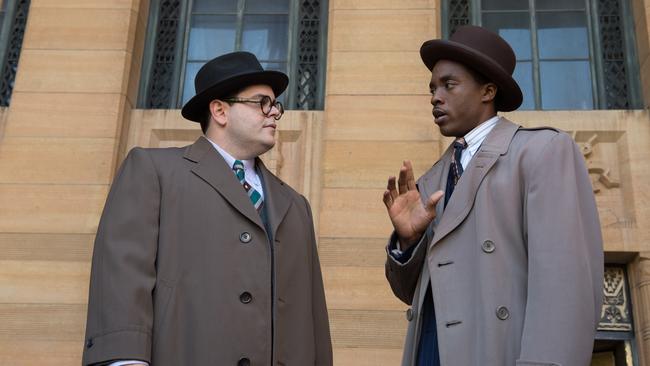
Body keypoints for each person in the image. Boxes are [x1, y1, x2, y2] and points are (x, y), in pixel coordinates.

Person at [82, 51, 332, 366]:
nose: (274, 113)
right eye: (261, 103)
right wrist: (125, 361)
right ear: (219, 110)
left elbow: (313, 317)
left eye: (275, 105)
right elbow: (122, 273)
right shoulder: (155, 171)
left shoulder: (296, 205)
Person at [383, 26, 603, 366]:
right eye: (432, 87)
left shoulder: (541, 152)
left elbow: (565, 286)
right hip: (431, 352)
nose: (435, 97)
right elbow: (409, 292)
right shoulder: (429, 183)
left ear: (488, 91)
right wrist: (407, 242)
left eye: (448, 85)